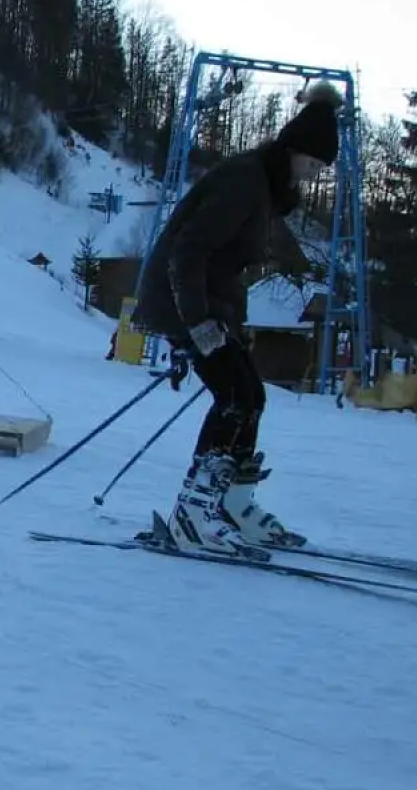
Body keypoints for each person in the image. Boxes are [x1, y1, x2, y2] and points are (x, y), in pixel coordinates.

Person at [133, 79, 343, 556]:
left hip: (210, 303)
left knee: (252, 395)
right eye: (311, 165)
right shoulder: (244, 182)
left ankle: (232, 503)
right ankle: (194, 511)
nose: (311, 177)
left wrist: (235, 326)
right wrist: (200, 323)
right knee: (232, 396)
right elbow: (187, 251)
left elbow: (230, 268)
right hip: (180, 299)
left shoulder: (264, 190)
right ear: (291, 150)